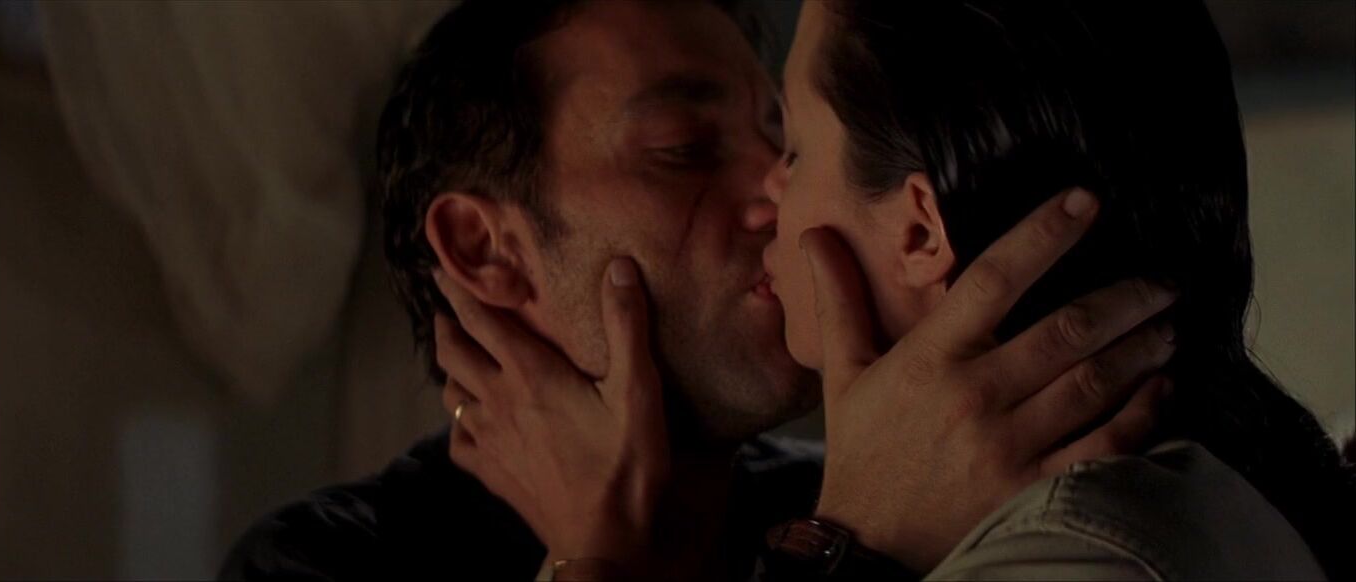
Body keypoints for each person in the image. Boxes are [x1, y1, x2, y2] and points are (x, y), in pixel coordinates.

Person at [221, 1, 1175, 579]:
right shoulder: (329, 567)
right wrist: (851, 550)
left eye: (784, 138)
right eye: (683, 150)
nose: (780, 190)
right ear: (485, 251)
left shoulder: (913, 478)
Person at [756, 0, 1354, 579]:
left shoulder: (1071, 553)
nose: (766, 188)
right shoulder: (1203, 483)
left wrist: (848, 537)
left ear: (922, 232)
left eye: (795, 151)